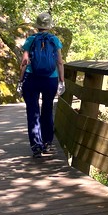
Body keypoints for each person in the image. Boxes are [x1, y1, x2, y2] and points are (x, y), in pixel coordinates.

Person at [19, 12, 65, 158]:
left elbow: (24, 62)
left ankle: (36, 146)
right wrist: (61, 81)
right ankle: (47, 142)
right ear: (49, 25)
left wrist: (20, 81)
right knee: (47, 108)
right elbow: (59, 62)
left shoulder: (31, 40)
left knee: (33, 111)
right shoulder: (55, 40)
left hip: (32, 78)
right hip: (50, 79)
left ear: (37, 25)